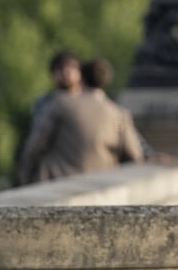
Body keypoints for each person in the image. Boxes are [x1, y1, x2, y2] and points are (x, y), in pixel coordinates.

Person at [17, 54, 146, 183]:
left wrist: (24, 177)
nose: (65, 74)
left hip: (59, 182)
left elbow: (33, 148)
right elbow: (135, 154)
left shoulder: (57, 103)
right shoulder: (118, 112)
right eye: (60, 70)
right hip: (102, 183)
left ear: (81, 78)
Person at [81, 57, 166, 163]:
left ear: (82, 80)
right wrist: (149, 154)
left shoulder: (68, 109)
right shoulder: (117, 112)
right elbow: (135, 148)